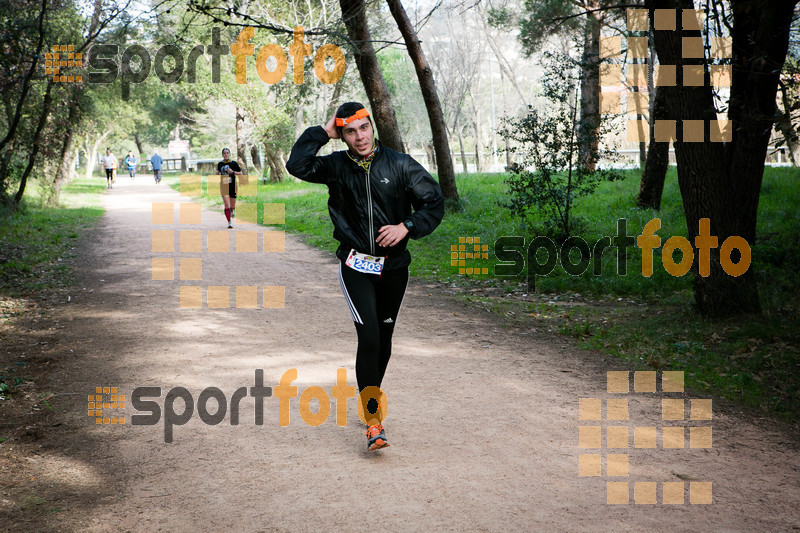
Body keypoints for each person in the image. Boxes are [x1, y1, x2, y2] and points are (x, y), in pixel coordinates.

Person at [286, 102, 444, 451]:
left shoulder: (400, 164)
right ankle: (374, 422)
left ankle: (368, 395)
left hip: (394, 268)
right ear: (342, 135)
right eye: (350, 132)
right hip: (356, 265)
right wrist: (322, 133)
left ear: (372, 127)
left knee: (384, 340)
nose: (359, 137)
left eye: (364, 128)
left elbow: (434, 202)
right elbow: (296, 164)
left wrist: (408, 226)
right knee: (369, 337)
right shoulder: (335, 166)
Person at [217, 148, 243, 229]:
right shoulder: (220, 164)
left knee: (232, 205)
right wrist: (217, 173)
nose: (226, 154)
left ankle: (232, 210)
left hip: (233, 185)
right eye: (224, 153)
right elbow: (217, 172)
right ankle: (229, 222)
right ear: (222, 154)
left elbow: (241, 174)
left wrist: (232, 172)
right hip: (224, 185)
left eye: (227, 153)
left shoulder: (234, 163)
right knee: (226, 204)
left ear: (229, 154)